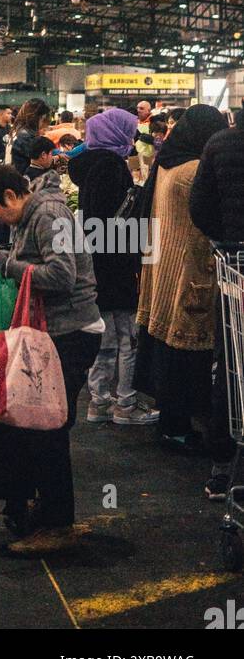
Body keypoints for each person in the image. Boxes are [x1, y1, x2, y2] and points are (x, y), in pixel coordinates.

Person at [0, 162, 102, 554]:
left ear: (11, 196)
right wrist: (4, 256)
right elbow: (38, 259)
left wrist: (8, 265)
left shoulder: (48, 214)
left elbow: (61, 275)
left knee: (48, 430)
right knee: (43, 428)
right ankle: (51, 513)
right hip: (57, 333)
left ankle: (58, 525)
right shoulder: (30, 215)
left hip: (71, 332)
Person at [135, 104, 227, 453]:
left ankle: (171, 423)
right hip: (190, 269)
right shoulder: (193, 171)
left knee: (167, 351)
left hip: (162, 267)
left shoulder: (165, 164)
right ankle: (179, 426)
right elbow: (211, 218)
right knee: (189, 356)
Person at [68, 108, 157, 428]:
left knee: (104, 336)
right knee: (127, 336)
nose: (132, 135)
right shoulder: (113, 167)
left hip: (95, 261)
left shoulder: (88, 164)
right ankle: (126, 402)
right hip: (118, 261)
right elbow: (121, 221)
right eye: (128, 129)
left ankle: (99, 400)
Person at [189, 107, 244, 498]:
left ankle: (223, 466)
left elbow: (199, 207)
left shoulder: (219, 143)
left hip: (236, 272)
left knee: (233, 366)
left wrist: (226, 243)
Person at [10, 98, 51, 175]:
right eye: (42, 119)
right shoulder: (26, 137)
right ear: (37, 118)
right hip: (25, 181)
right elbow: (40, 159)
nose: (42, 124)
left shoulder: (20, 131)